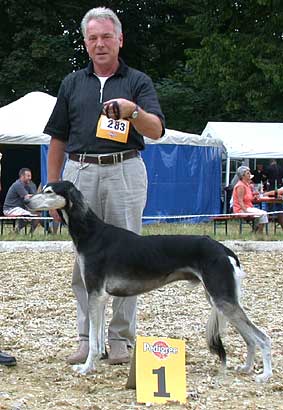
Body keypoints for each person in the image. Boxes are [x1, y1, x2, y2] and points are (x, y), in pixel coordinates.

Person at [44, 7, 165, 365]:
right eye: (93, 38)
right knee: (84, 263)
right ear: (85, 43)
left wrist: (133, 112)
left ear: (120, 40)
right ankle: (87, 338)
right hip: (79, 174)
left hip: (124, 170)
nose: (100, 44)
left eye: (106, 37)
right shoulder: (71, 83)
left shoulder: (138, 81)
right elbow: (57, 138)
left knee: (131, 257)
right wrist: (52, 190)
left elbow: (156, 130)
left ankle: (120, 339)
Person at [232, 165, 268, 233]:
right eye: (247, 173)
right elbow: (240, 201)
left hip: (249, 207)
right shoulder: (240, 186)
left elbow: (248, 198)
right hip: (240, 209)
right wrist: (245, 211)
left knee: (263, 213)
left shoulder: (247, 185)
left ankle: (255, 231)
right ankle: (259, 233)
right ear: (242, 176)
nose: (250, 175)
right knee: (263, 214)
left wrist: (254, 197)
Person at [3, 168, 40, 232]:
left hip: (20, 209)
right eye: (28, 176)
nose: (30, 178)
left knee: (37, 215)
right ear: (22, 176)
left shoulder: (29, 185)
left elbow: (34, 196)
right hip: (10, 209)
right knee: (29, 216)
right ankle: (16, 231)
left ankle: (31, 234)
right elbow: (27, 198)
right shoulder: (18, 184)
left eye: (30, 176)